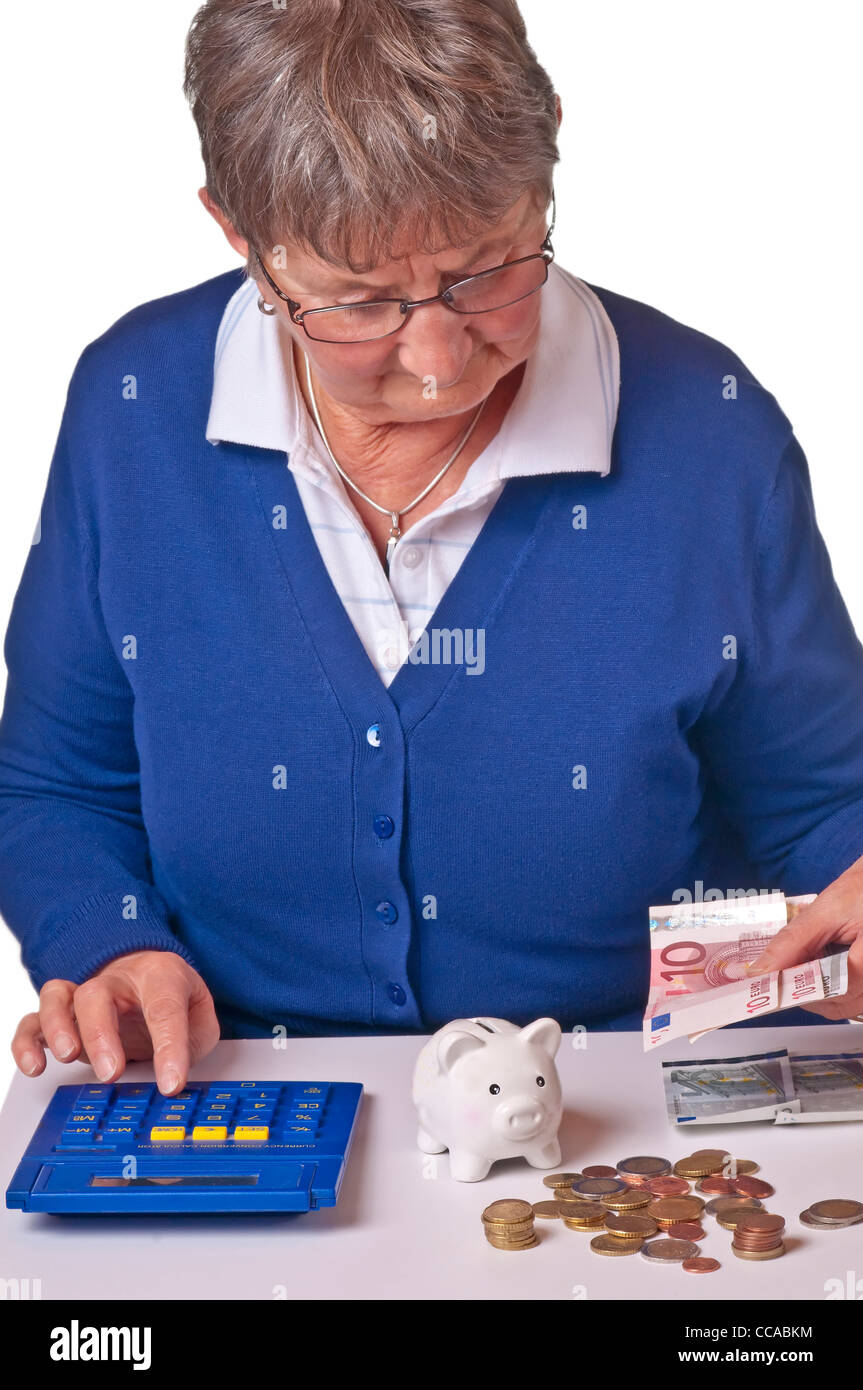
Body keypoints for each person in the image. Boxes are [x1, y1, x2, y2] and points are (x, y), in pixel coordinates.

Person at [3, 0, 863, 1099]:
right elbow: (57, 785)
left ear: (547, 155)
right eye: (359, 303)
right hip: (235, 1088)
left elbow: (820, 801)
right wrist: (107, 940)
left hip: (624, 1099)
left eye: (487, 269)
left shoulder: (711, 430)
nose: (435, 360)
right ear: (239, 237)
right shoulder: (133, 408)